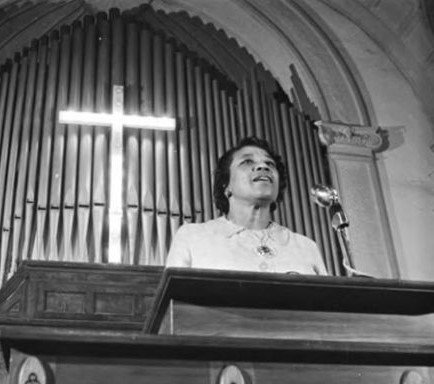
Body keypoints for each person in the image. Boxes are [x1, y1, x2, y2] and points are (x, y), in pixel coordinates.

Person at [166, 137, 327, 275]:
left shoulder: (306, 247)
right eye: (247, 161)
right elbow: (174, 305)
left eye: (270, 164)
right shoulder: (192, 237)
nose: (263, 167)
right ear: (226, 185)